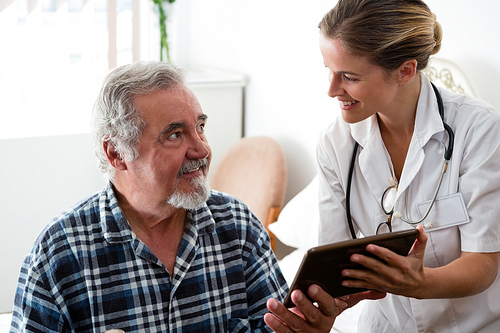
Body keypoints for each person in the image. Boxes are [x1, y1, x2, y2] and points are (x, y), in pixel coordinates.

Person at [10, 61, 296, 332]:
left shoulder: (238, 225)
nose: (202, 150)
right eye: (175, 135)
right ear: (117, 153)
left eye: (200, 127)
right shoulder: (58, 255)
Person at [309, 0, 500, 332]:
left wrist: (420, 283)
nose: (331, 90)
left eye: (349, 76)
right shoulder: (335, 143)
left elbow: (483, 262)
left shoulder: (479, 129)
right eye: (327, 68)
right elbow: (335, 266)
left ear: (405, 71)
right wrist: (321, 308)